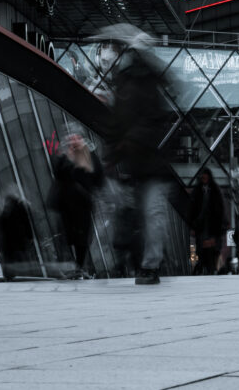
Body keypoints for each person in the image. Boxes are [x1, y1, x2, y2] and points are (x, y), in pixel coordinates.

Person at [94, 24, 173, 286]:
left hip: (143, 163)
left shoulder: (137, 82)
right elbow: (119, 125)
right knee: (142, 214)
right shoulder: (130, 83)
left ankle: (146, 265)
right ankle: (141, 263)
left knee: (148, 213)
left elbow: (144, 122)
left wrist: (120, 147)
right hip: (137, 163)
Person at [50, 133, 103, 279]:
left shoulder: (90, 157)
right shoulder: (62, 157)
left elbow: (98, 177)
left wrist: (84, 155)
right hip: (65, 203)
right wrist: (70, 157)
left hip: (83, 203)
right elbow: (58, 174)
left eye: (76, 138)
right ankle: (69, 267)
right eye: (70, 139)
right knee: (66, 236)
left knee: (82, 238)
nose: (73, 142)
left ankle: (78, 268)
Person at [188, 167, 225, 275]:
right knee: (202, 250)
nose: (204, 178)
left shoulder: (214, 191)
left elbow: (220, 209)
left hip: (211, 226)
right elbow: (192, 210)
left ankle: (212, 269)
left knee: (212, 251)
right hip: (202, 225)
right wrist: (194, 224)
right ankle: (206, 269)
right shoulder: (197, 191)